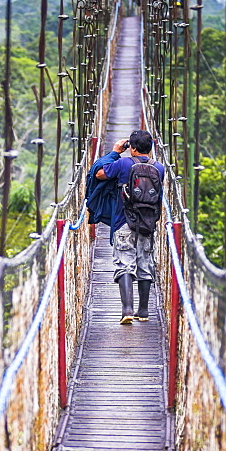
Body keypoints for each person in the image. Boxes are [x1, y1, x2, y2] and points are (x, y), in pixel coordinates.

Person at [93, 130, 164, 324]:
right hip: (147, 223)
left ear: (131, 148)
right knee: (145, 262)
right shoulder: (159, 167)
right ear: (151, 148)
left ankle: (127, 310)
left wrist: (115, 151)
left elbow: (98, 173)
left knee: (124, 263)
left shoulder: (123, 163)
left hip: (124, 221)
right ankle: (143, 311)